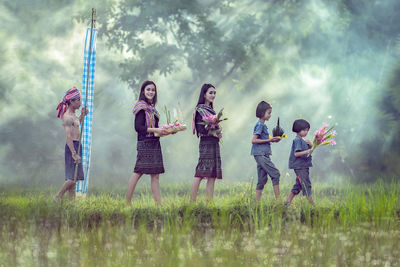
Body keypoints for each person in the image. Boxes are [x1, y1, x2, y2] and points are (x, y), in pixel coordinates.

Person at [126, 81, 169, 205]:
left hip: (155, 142)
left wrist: (167, 131)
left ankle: (158, 204)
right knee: (138, 172)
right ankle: (127, 202)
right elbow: (138, 127)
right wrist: (156, 130)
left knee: (155, 175)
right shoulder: (141, 107)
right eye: (148, 89)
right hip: (144, 142)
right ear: (143, 91)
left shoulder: (153, 109)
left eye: (153, 90)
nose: (151, 92)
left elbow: (156, 128)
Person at [54, 87, 88, 201]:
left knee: (74, 182)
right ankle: (58, 196)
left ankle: (71, 205)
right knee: (73, 178)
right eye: (77, 100)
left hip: (78, 145)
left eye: (80, 99)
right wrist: (74, 153)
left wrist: (82, 115)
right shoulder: (67, 117)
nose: (80, 102)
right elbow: (68, 137)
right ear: (71, 102)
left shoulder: (74, 115)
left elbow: (76, 125)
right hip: (71, 147)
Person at [190, 84, 222, 202]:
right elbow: (201, 130)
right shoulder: (199, 110)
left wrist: (219, 132)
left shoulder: (212, 111)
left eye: (214, 93)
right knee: (200, 173)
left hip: (214, 143)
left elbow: (215, 128)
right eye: (210, 93)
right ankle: (191, 202)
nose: (213, 95)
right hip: (206, 144)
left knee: (212, 174)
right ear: (204, 94)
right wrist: (213, 130)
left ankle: (209, 203)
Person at [251, 101, 281, 202]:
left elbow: (263, 139)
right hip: (261, 154)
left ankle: (256, 203)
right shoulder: (260, 125)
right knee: (275, 174)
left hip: (262, 154)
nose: (270, 115)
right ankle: (279, 201)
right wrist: (269, 140)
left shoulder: (262, 125)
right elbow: (254, 140)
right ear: (262, 112)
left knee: (262, 179)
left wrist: (273, 139)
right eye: (269, 112)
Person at [285, 119, 315, 206]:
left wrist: (311, 146)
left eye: (307, 130)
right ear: (298, 129)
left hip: (303, 166)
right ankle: (312, 204)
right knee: (306, 184)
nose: (306, 132)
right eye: (304, 130)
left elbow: (308, 153)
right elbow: (296, 154)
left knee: (298, 185)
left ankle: (288, 202)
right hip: (300, 166)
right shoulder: (297, 140)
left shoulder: (302, 141)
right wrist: (307, 151)